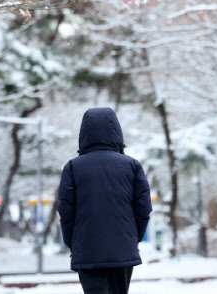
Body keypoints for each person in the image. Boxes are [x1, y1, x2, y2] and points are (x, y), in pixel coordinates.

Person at [57, 107, 152, 294]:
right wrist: (132, 238)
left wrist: (72, 242)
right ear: (116, 131)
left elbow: (66, 211)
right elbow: (143, 208)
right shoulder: (132, 165)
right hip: (122, 249)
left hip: (87, 249)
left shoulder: (73, 167)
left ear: (84, 134)